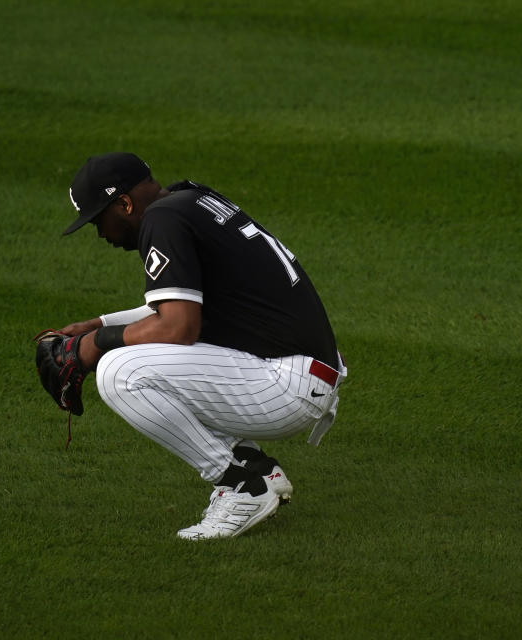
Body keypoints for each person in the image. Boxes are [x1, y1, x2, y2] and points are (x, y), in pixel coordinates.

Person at [54, 152, 347, 540]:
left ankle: (240, 487)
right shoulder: (189, 200)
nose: (100, 234)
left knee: (119, 372)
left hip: (285, 387)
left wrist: (97, 343)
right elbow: (183, 305)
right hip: (302, 371)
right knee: (148, 358)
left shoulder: (161, 220)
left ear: (123, 204)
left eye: (98, 220)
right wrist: (99, 324)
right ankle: (254, 466)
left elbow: (178, 325)